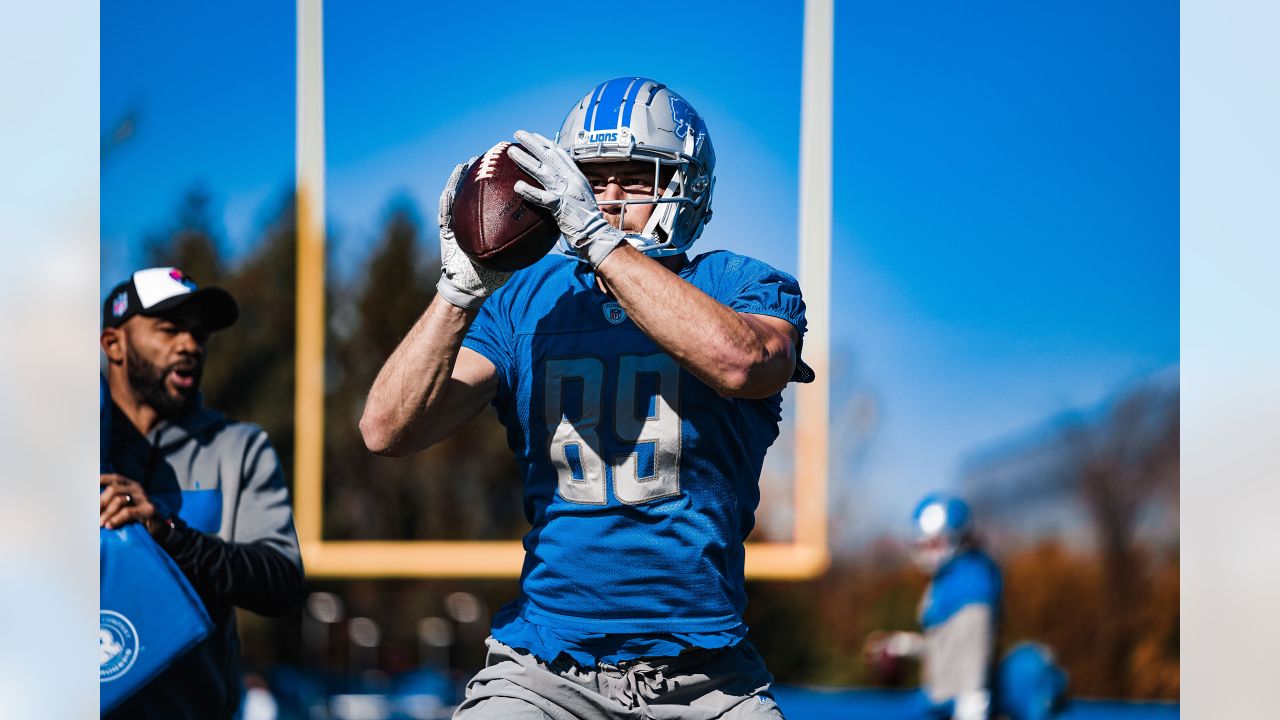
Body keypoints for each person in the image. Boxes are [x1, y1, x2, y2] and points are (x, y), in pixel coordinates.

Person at [361, 77, 812, 719]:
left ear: (688, 185)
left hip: (706, 676)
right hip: (547, 667)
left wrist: (603, 245)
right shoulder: (527, 298)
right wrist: (458, 289)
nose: (607, 199)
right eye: (594, 180)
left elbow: (742, 364)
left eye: (634, 177)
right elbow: (386, 430)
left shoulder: (740, 282)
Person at [100, 267, 305, 719]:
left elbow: (280, 582)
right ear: (113, 344)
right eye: (170, 330)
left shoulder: (238, 447)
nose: (190, 346)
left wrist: (169, 535)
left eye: (199, 334)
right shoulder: (58, 441)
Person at [864, 493, 1002, 720]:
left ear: (957, 538)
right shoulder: (945, 581)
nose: (926, 552)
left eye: (934, 543)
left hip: (954, 704)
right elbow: (946, 646)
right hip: (938, 699)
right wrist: (905, 645)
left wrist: (972, 703)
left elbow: (975, 646)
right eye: (922, 544)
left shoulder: (972, 581)